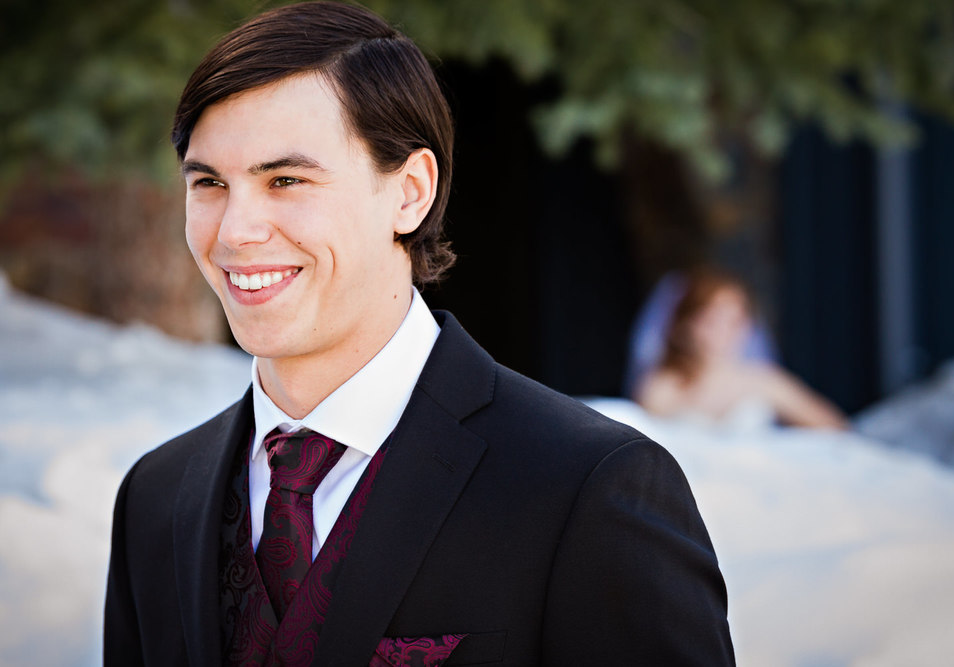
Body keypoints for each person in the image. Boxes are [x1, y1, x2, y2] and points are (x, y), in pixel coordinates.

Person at [103, 3, 735, 665]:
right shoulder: (156, 497)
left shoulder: (588, 487)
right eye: (209, 183)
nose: (234, 231)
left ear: (410, 192)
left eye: (285, 179)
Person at [636, 269, 847, 430]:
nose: (722, 331)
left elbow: (833, 428)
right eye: (710, 320)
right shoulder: (662, 387)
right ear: (685, 325)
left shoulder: (763, 381)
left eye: (734, 321)